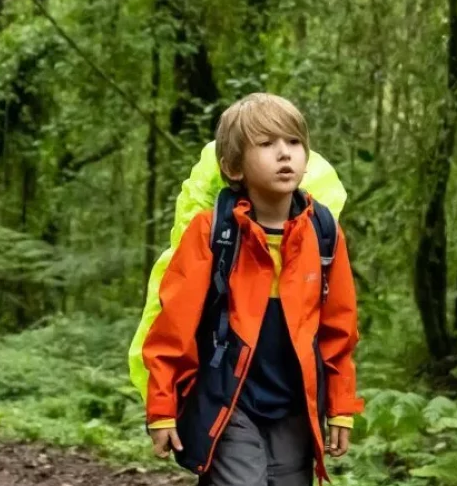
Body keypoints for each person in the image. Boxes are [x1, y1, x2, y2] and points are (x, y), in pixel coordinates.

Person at [141, 93, 364, 485]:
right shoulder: (212, 233)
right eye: (266, 144)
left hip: (293, 406)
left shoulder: (323, 234)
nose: (285, 154)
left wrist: (341, 406)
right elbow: (172, 328)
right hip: (228, 401)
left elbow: (338, 330)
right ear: (233, 167)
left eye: (294, 142)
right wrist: (162, 406)